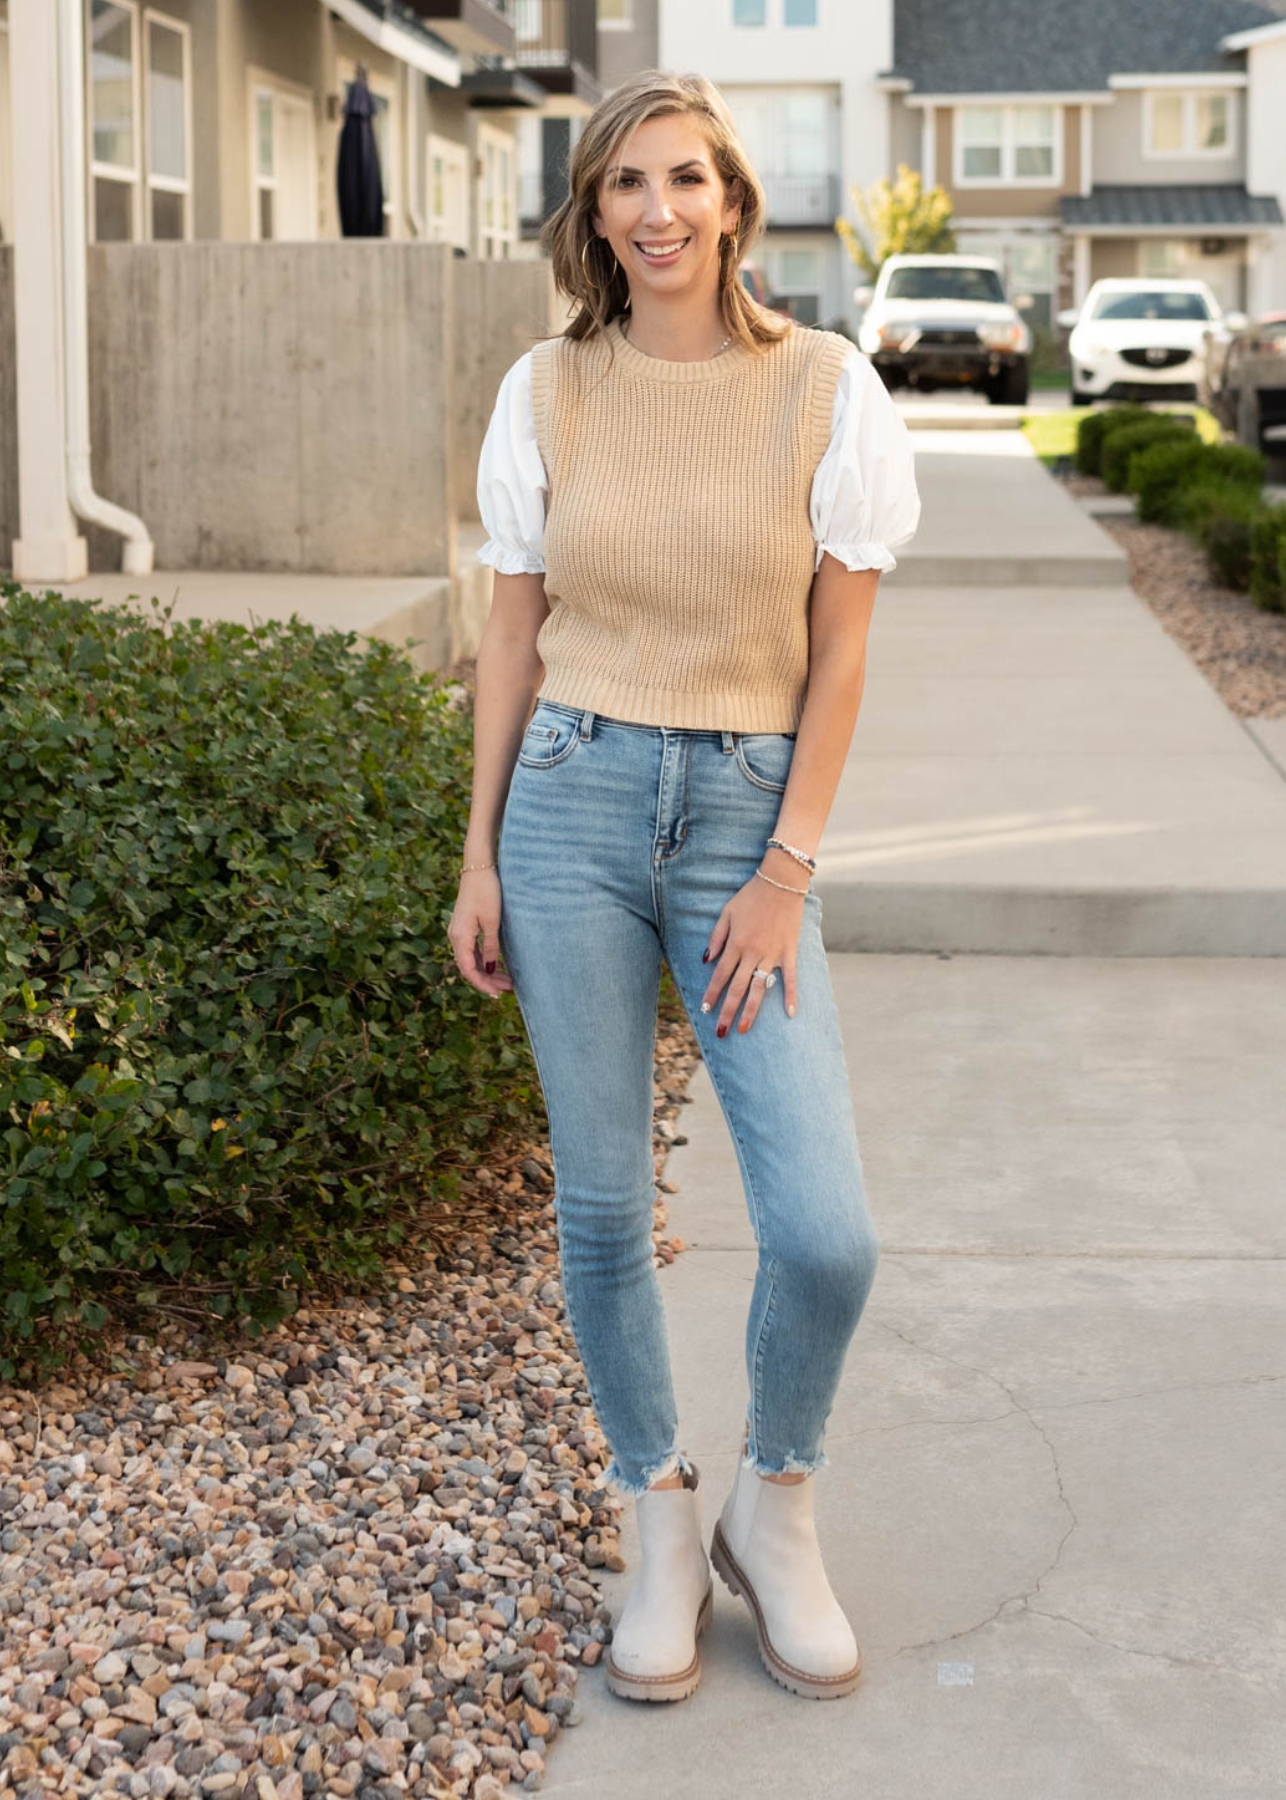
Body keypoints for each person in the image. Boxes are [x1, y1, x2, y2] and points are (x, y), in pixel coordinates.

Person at [449, 69, 920, 1706]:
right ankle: (657, 1507)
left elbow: (841, 654)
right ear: (593, 216)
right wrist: (477, 856)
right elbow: (510, 633)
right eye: (623, 185)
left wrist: (788, 865)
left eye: (685, 180)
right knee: (595, 1209)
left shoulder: (826, 391)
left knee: (824, 1228)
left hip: (741, 818)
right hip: (568, 810)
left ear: (733, 201)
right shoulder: (546, 389)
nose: (655, 210)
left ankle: (771, 1511)